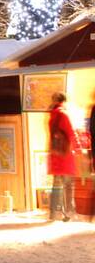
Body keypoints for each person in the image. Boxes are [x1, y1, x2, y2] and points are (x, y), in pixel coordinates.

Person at [48, 92, 80, 221]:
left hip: (55, 154)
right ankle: (69, 212)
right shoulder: (63, 114)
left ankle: (54, 213)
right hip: (65, 155)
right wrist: (78, 148)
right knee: (68, 185)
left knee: (56, 185)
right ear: (64, 101)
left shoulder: (52, 115)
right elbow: (70, 133)